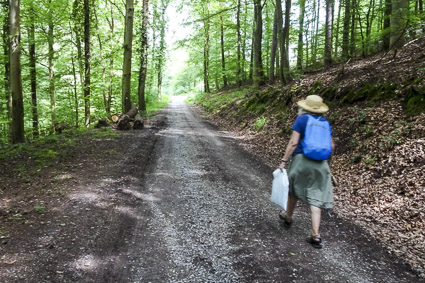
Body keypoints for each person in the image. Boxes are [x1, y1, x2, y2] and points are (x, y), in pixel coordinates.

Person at [278, 95, 335, 249]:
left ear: (305, 107)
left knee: (293, 190)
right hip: (321, 164)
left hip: (302, 161)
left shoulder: (302, 120)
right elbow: (331, 146)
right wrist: (327, 165)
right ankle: (315, 235)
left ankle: (288, 216)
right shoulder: (325, 123)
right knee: (316, 197)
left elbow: (294, 142)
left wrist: (284, 160)